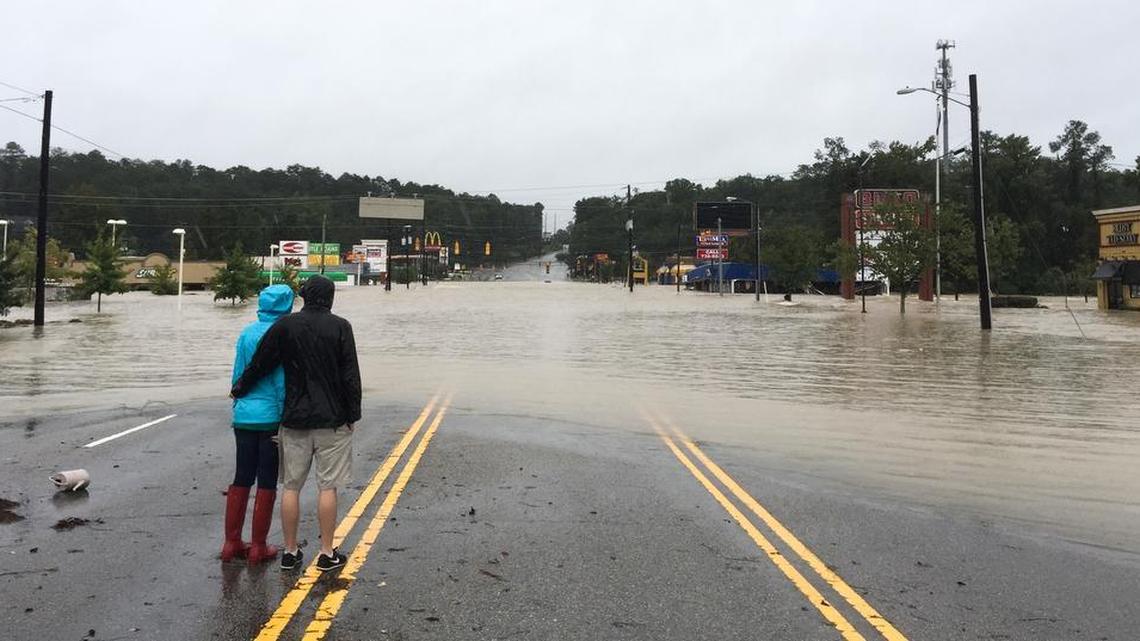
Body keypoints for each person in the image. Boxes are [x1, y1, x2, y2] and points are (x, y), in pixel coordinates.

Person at [231, 275, 362, 572]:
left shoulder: (285, 326)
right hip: (332, 419)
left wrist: (239, 387)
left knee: (291, 487)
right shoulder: (341, 327)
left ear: (303, 296)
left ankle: (290, 552)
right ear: (330, 298)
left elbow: (261, 364)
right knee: (327, 487)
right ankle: (327, 553)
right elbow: (350, 375)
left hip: (294, 418)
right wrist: (352, 414)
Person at [222, 284, 295, 564]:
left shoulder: (246, 333)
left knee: (242, 476)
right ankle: (258, 546)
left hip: (244, 415)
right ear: (287, 306)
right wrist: (285, 414)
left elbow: (238, 373)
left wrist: (238, 403)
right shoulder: (283, 334)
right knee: (266, 479)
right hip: (270, 417)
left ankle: (231, 542)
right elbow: (281, 381)